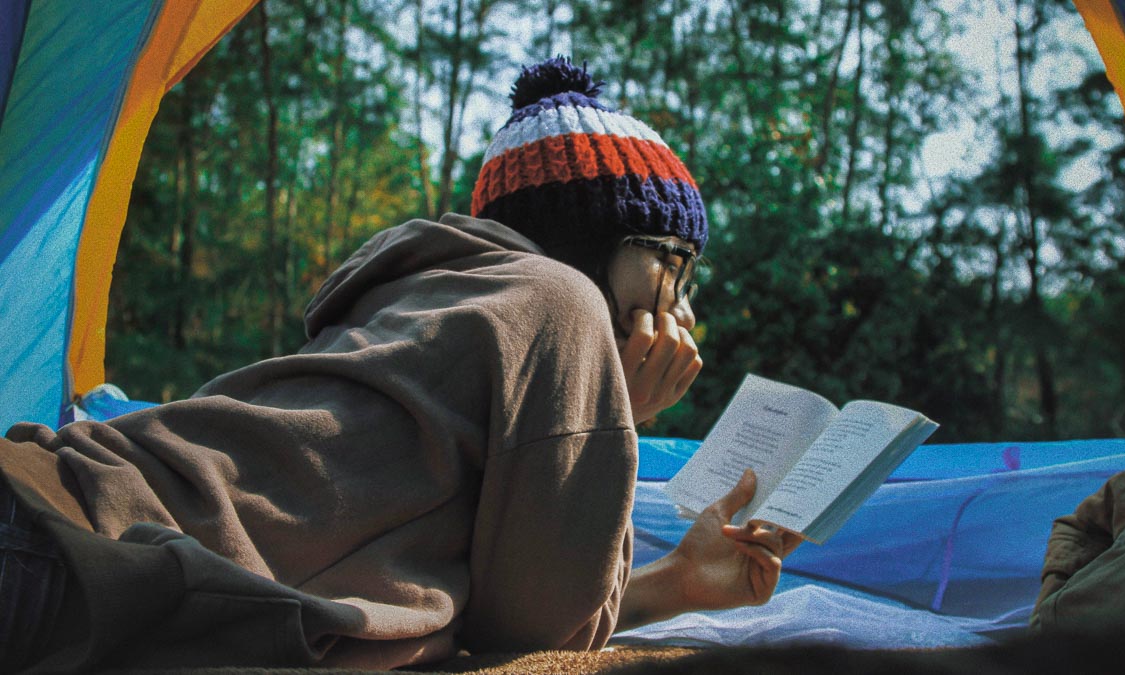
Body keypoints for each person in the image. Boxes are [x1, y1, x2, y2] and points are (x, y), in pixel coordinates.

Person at [0, 57, 801, 672]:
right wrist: (617, 411)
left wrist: (677, 581)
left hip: (49, 513)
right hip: (71, 552)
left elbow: (495, 594)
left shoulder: (439, 297)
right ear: (595, 240)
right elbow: (541, 639)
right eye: (672, 264)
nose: (685, 308)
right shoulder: (562, 302)